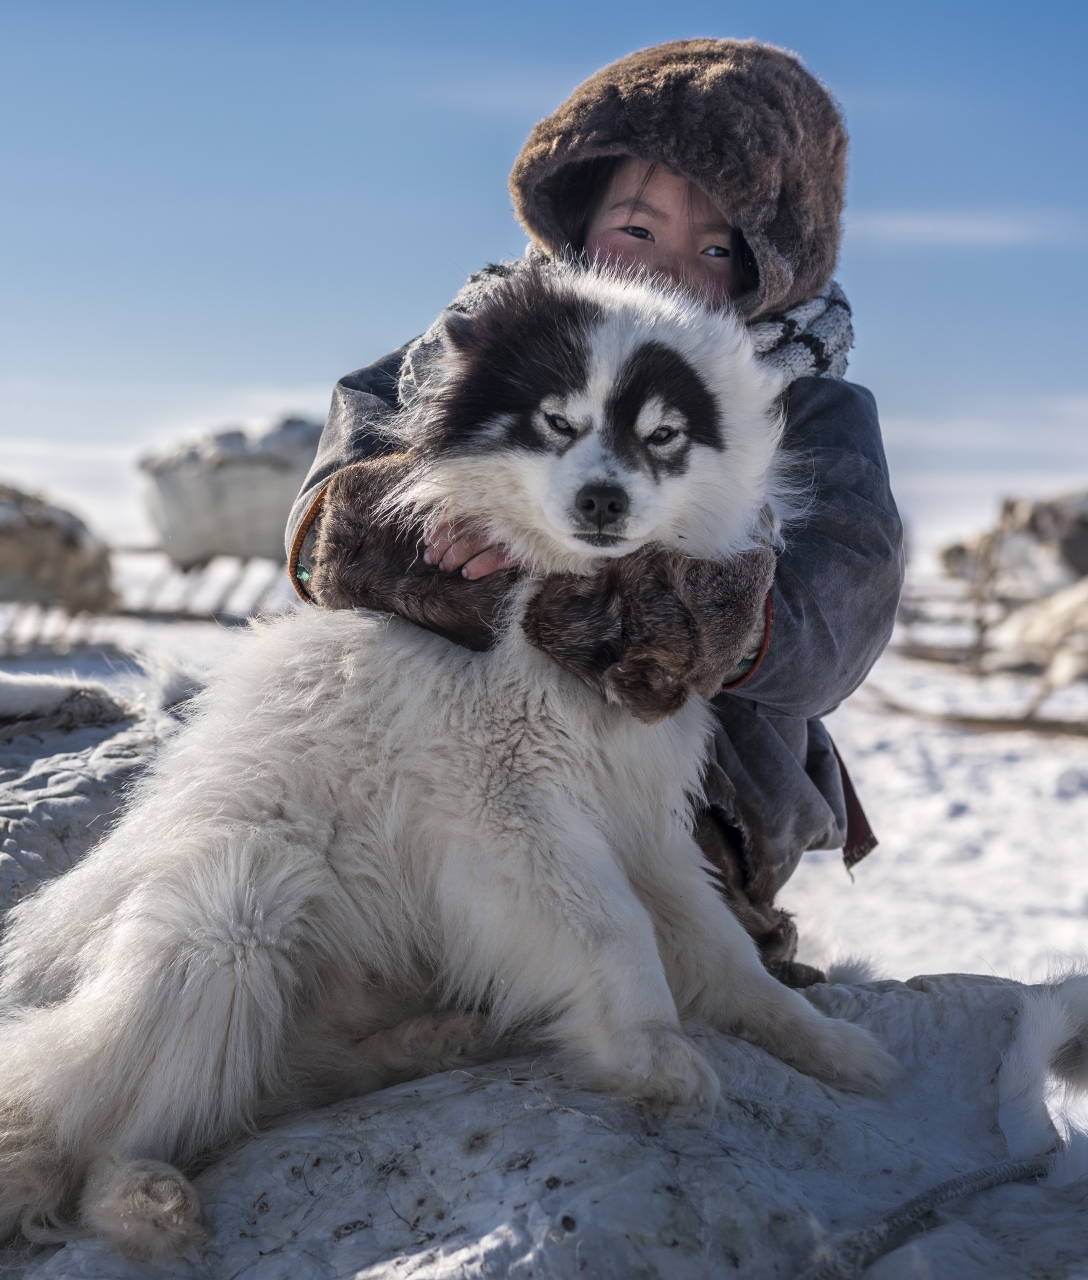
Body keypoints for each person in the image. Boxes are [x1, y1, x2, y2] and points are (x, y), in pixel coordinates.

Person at [282, 39, 903, 987]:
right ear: (575, 225)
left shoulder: (810, 408)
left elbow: (830, 631)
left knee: (658, 919)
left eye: (716, 247)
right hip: (425, 743)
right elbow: (330, 523)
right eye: (638, 230)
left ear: (763, 271)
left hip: (696, 795)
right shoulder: (467, 348)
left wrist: (617, 589)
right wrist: (427, 538)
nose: (666, 272)